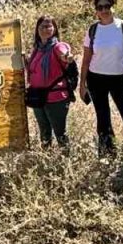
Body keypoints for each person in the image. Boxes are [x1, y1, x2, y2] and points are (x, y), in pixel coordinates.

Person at [79, 0, 123, 154]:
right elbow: (86, 59)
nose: (104, 10)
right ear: (96, 11)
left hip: (120, 78)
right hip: (96, 79)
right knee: (102, 117)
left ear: (113, 7)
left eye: (107, 6)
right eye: (100, 7)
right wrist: (82, 85)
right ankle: (108, 153)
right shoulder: (93, 30)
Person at [26, 16, 74, 150]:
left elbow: (64, 54)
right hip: (38, 97)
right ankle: (46, 159)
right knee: (44, 133)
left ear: (54, 29)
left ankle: (67, 163)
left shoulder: (58, 46)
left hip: (55, 97)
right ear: (37, 29)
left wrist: (67, 57)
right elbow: (33, 70)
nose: (46, 29)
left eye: (49, 26)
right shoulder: (37, 49)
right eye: (42, 26)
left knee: (60, 133)